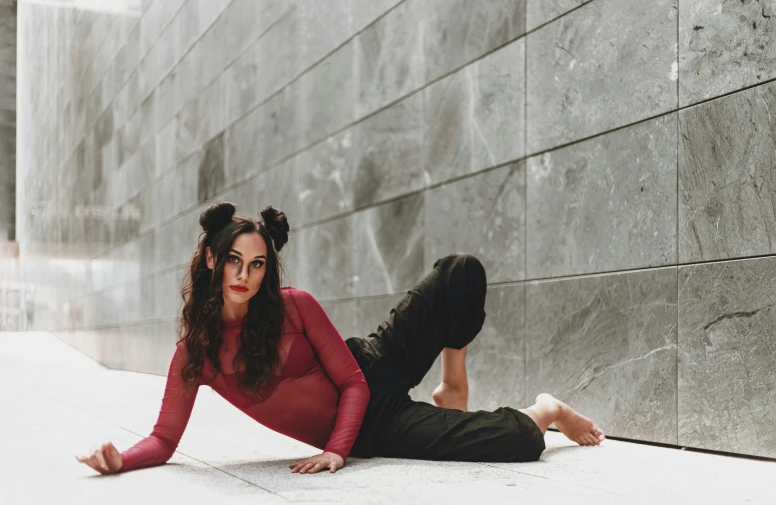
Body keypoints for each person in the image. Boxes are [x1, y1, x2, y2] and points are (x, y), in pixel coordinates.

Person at [76, 201, 605, 475]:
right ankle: (549, 407)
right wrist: (122, 459)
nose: (245, 274)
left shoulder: (294, 305)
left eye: (258, 264)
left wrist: (333, 451)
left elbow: (352, 381)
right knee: (513, 443)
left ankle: (453, 384)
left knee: (460, 272)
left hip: (369, 365)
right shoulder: (196, 355)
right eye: (235, 260)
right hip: (378, 427)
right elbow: (165, 439)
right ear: (212, 259)